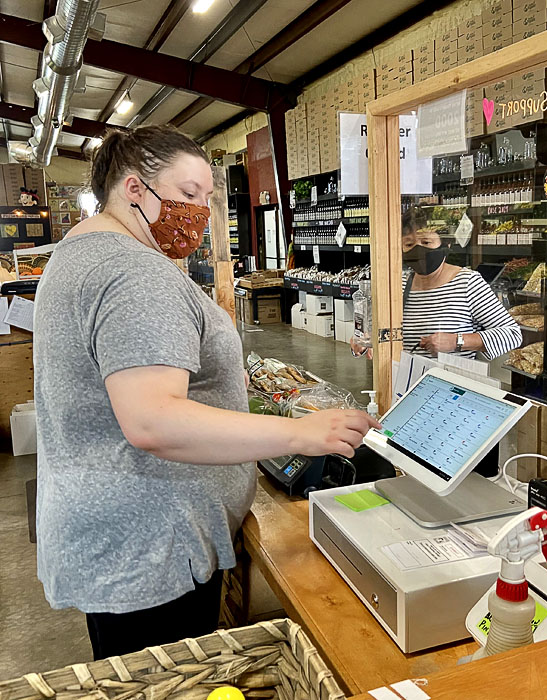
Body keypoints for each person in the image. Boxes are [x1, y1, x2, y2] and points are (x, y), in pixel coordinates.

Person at [33, 125, 380, 660]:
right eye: (187, 193)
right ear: (133, 189)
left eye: (207, 197)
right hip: (153, 544)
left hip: (114, 531)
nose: (198, 211)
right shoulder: (133, 272)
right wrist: (299, 433)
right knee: (169, 681)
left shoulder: (78, 253)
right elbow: (153, 420)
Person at [352, 209, 522, 359]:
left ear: (445, 243)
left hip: (450, 383)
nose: (418, 250)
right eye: (409, 244)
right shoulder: (398, 285)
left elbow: (512, 335)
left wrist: (457, 341)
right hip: (404, 380)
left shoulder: (468, 283)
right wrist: (364, 342)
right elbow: (380, 333)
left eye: (426, 242)